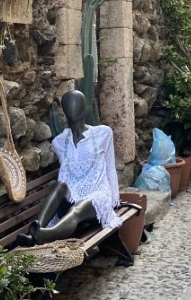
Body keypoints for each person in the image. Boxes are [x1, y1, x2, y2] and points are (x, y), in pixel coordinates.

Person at [19, 89, 122, 244]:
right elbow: (65, 175)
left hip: (97, 194)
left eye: (76, 104)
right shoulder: (59, 142)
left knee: (77, 210)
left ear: (84, 107)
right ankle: (36, 230)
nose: (72, 108)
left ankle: (44, 235)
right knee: (60, 186)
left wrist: (114, 201)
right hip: (72, 194)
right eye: (68, 105)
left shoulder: (103, 133)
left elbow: (110, 168)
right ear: (64, 110)